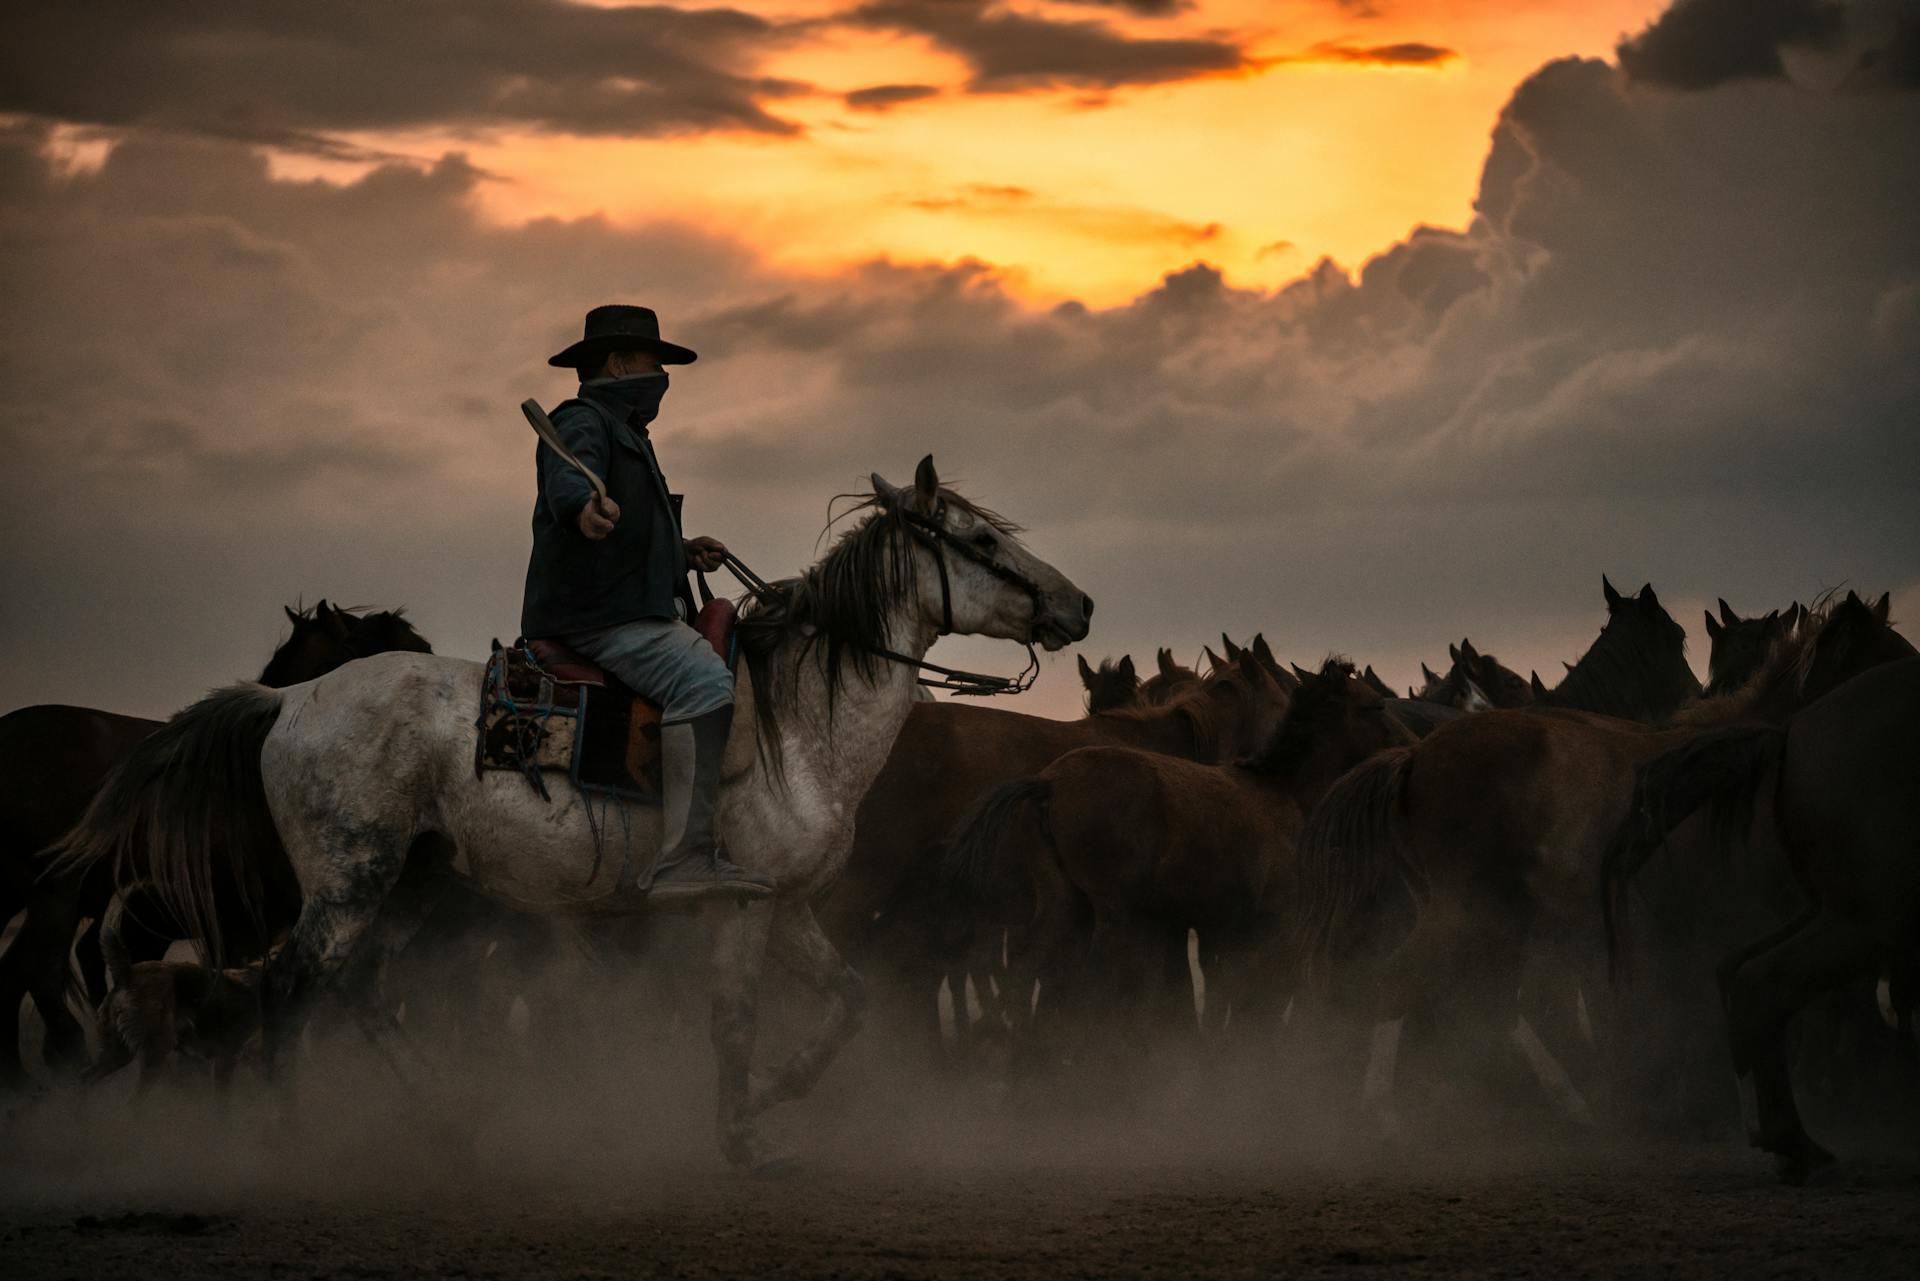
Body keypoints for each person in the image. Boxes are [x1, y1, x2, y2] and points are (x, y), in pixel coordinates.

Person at [522, 304, 774, 900]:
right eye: (652, 361)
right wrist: (583, 508)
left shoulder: (627, 432)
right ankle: (682, 859)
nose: (661, 375)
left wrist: (681, 551)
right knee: (708, 685)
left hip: (616, 604)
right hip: (601, 616)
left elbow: (630, 530)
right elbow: (569, 481)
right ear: (617, 363)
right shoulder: (585, 420)